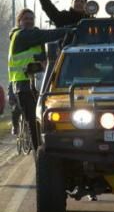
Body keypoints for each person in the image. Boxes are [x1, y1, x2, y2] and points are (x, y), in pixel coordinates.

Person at [8, 9, 73, 151]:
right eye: (25, 18)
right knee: (33, 122)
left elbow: (41, 56)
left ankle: (44, 151)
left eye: (31, 18)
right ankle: (39, 157)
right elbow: (46, 35)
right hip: (24, 85)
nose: (29, 21)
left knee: (41, 120)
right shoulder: (21, 35)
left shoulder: (32, 37)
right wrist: (70, 30)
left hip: (35, 83)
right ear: (19, 22)